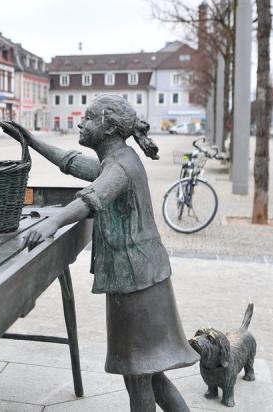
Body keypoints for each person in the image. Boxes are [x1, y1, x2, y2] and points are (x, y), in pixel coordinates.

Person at [14, 95, 197, 412]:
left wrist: (53, 223)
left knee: (139, 375)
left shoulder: (121, 167)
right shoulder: (115, 161)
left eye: (88, 118)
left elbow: (92, 198)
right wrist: (31, 141)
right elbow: (71, 162)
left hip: (138, 282)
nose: (80, 123)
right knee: (149, 375)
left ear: (108, 126)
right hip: (141, 277)